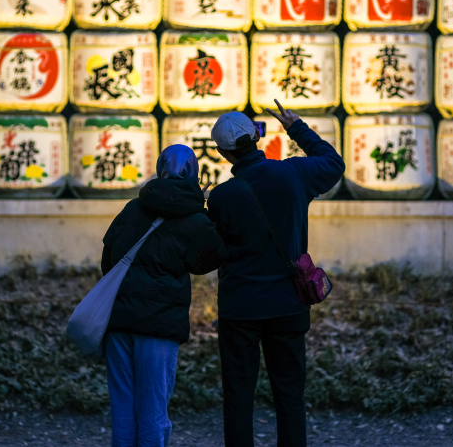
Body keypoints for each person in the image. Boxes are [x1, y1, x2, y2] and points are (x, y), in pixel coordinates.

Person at [207, 101, 345, 447]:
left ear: (223, 153)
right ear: (257, 138)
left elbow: (211, 253)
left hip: (240, 309)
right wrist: (296, 127)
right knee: (290, 394)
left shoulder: (222, 197)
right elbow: (333, 163)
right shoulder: (294, 174)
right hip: (289, 304)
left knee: (238, 396)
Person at [101, 144, 227, 447]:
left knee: (123, 410)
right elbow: (208, 261)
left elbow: (108, 260)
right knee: (153, 411)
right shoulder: (195, 220)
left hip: (119, 320)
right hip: (159, 325)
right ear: (194, 174)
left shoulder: (132, 208)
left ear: (160, 169)